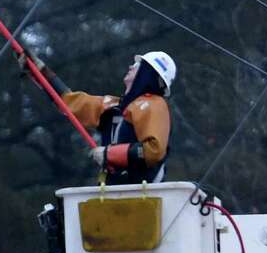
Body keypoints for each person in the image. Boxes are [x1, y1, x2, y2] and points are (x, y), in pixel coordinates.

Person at [19, 50, 176, 184]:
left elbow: (153, 150)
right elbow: (70, 102)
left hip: (145, 195)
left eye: (137, 65)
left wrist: (109, 154)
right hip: (113, 191)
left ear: (147, 73)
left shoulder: (154, 105)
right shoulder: (114, 107)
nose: (131, 66)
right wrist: (39, 71)